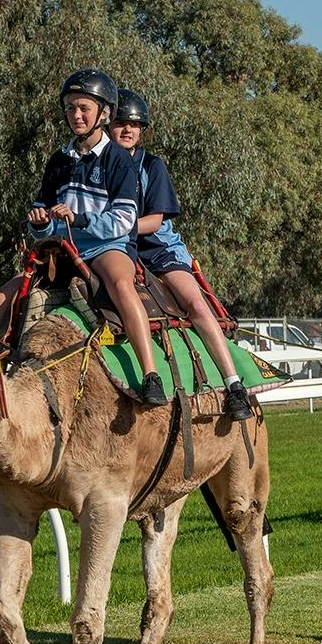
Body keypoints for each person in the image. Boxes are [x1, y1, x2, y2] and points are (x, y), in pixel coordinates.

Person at [113, 88, 256, 421]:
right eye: (121, 122)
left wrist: (112, 226)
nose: (128, 130)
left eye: (135, 124)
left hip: (157, 248)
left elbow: (155, 220)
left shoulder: (151, 166)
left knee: (194, 302)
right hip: (117, 248)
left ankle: (234, 384)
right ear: (108, 125)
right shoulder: (98, 166)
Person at [30, 69, 168, 406]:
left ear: (103, 113)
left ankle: (151, 375)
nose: (75, 115)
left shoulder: (118, 160)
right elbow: (43, 210)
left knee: (121, 285)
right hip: (64, 250)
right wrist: (39, 222)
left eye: (83, 108)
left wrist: (78, 219)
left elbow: (123, 220)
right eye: (70, 108)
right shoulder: (59, 160)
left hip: (108, 246)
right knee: (11, 294)